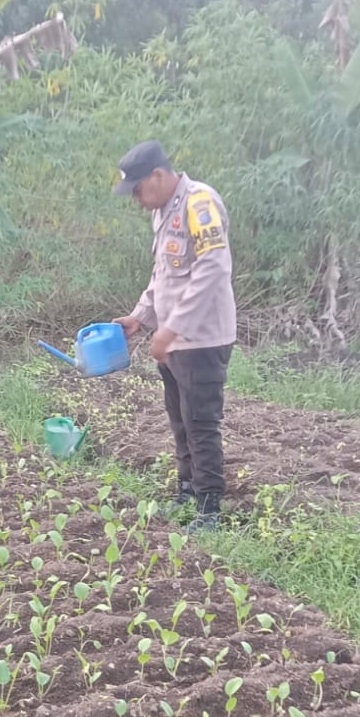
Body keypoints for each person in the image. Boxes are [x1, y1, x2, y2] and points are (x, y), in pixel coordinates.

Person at [111, 140, 236, 531]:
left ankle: (210, 509)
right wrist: (140, 317)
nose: (135, 199)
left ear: (158, 176)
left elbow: (213, 269)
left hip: (200, 338)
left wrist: (170, 328)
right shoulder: (164, 211)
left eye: (137, 190)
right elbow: (163, 276)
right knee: (180, 419)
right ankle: (187, 491)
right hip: (172, 340)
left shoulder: (199, 204)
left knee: (200, 421)